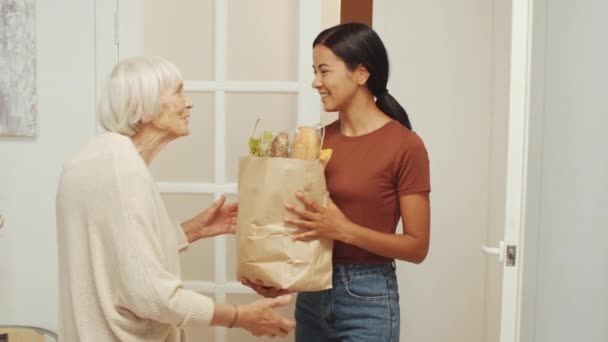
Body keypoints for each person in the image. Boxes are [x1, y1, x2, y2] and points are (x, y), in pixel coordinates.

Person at [56, 56, 295, 341]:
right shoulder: (123, 172)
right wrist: (238, 316)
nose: (189, 102)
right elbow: (151, 295)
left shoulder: (93, 159)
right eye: (178, 92)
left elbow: (117, 254)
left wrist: (191, 230)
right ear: (143, 103)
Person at [243, 23, 431, 341]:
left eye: (324, 71)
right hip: (313, 293)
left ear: (361, 73)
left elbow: (417, 246)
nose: (316, 82)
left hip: (368, 298)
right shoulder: (315, 140)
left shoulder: (405, 145)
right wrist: (277, 275)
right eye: (314, 71)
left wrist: (344, 230)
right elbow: (307, 226)